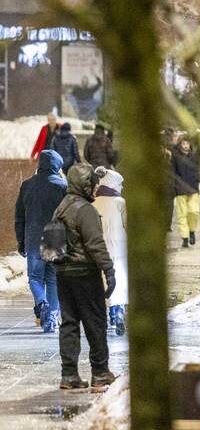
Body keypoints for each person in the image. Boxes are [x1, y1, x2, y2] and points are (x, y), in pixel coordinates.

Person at [52, 163, 115, 390]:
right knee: (95, 321)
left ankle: (68, 375)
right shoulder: (85, 210)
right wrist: (108, 269)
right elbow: (95, 244)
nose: (96, 188)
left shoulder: (61, 206)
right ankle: (100, 372)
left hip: (63, 273)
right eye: (93, 183)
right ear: (84, 184)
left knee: (69, 323)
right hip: (85, 272)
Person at [13, 150, 66, 333]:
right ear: (57, 166)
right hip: (55, 237)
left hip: (33, 237)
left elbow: (19, 217)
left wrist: (21, 242)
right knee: (52, 279)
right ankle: (51, 318)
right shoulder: (62, 186)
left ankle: (41, 304)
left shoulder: (27, 185)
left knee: (35, 278)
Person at [92, 167, 127, 336]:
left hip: (98, 249)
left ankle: (105, 316)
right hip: (118, 247)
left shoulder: (93, 203)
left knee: (101, 281)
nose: (121, 188)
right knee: (118, 280)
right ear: (114, 185)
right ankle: (118, 312)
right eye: (120, 185)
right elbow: (127, 224)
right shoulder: (120, 202)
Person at [171, 136, 200, 247]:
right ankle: (185, 238)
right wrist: (175, 187)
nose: (185, 146)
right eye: (183, 144)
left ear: (190, 145)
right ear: (180, 145)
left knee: (194, 212)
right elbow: (173, 173)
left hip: (193, 188)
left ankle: (192, 231)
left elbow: (199, 171)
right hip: (180, 189)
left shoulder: (195, 157)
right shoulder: (175, 157)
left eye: (187, 144)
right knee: (182, 214)